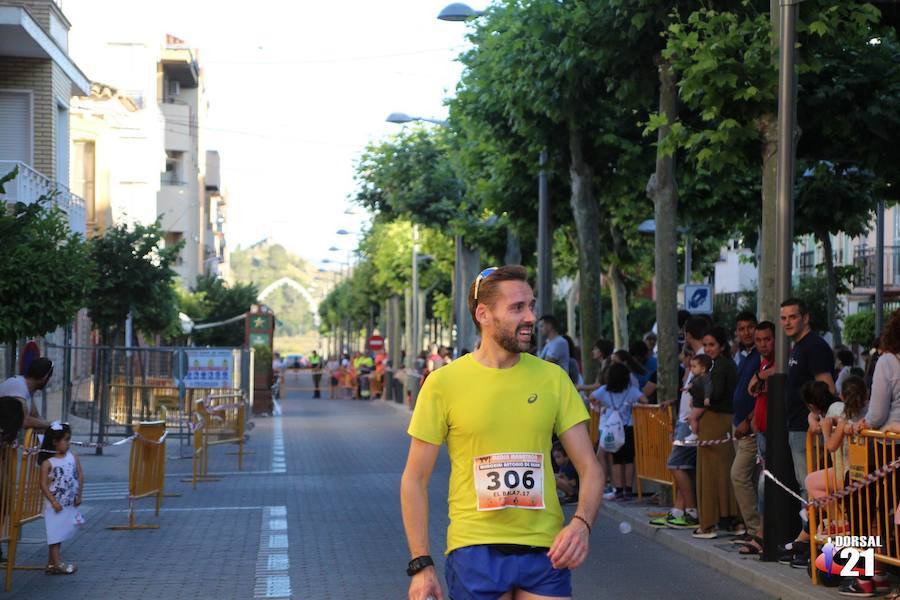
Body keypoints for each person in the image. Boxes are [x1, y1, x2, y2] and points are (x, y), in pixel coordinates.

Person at [401, 266, 603, 600]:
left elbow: (590, 468)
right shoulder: (443, 384)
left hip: (545, 550)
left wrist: (581, 524)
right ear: (483, 314)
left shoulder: (553, 380)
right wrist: (421, 565)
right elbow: (414, 479)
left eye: (531, 306)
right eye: (517, 308)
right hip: (474, 549)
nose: (530, 317)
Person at [651, 316, 706, 530]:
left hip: (689, 420)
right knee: (685, 467)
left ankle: (691, 510)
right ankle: (678, 510)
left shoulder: (702, 358)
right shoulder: (694, 359)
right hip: (685, 417)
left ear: (688, 333)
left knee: (675, 464)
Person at [781, 297, 835, 499]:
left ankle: (816, 530)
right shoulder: (798, 346)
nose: (787, 322)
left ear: (806, 318)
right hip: (798, 428)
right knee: (807, 487)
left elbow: (827, 388)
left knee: (811, 487)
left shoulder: (814, 346)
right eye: (784, 318)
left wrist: (816, 418)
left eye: (793, 317)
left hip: (810, 431)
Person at [692, 326, 741, 539]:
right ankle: (733, 521)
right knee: (726, 473)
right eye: (705, 345)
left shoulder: (718, 368)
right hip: (724, 421)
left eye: (712, 344)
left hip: (714, 421)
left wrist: (694, 392)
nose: (708, 349)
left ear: (721, 345)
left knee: (709, 474)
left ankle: (708, 524)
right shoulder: (727, 364)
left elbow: (715, 394)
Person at [729, 312, 762, 551]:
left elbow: (761, 393)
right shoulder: (744, 356)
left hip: (749, 428)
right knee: (747, 478)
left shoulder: (761, 356)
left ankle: (755, 530)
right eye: (741, 328)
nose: (746, 332)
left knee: (739, 475)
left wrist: (748, 421)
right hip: (738, 424)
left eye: (750, 327)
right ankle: (751, 528)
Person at [591, 362, 646, 501]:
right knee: (628, 460)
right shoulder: (631, 390)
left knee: (616, 460)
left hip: (612, 428)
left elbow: (592, 397)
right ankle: (628, 490)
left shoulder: (604, 390)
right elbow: (644, 400)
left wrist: (604, 405)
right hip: (628, 427)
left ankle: (618, 490)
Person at [38, 422, 83, 575]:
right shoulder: (48, 463)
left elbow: (80, 475)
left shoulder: (73, 456)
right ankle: (58, 564)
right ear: (54, 442)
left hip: (67, 503)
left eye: (69, 439)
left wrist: (79, 494)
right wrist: (53, 501)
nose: (68, 443)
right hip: (54, 505)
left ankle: (51, 564)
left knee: (59, 533)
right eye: (66, 440)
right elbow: (43, 485)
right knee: (54, 535)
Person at [0, 357, 52, 430]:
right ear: (45, 377)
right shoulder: (18, 386)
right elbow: (24, 420)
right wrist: (51, 424)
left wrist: (53, 427)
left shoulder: (26, 389)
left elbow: (35, 416)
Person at [686, 354, 713, 441]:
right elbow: (692, 386)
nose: (691, 369)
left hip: (701, 404)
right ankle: (693, 427)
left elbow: (708, 388)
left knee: (691, 418)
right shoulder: (695, 377)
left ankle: (694, 434)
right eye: (691, 366)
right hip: (696, 401)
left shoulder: (705, 378)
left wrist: (707, 398)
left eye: (694, 366)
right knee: (691, 417)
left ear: (703, 369)